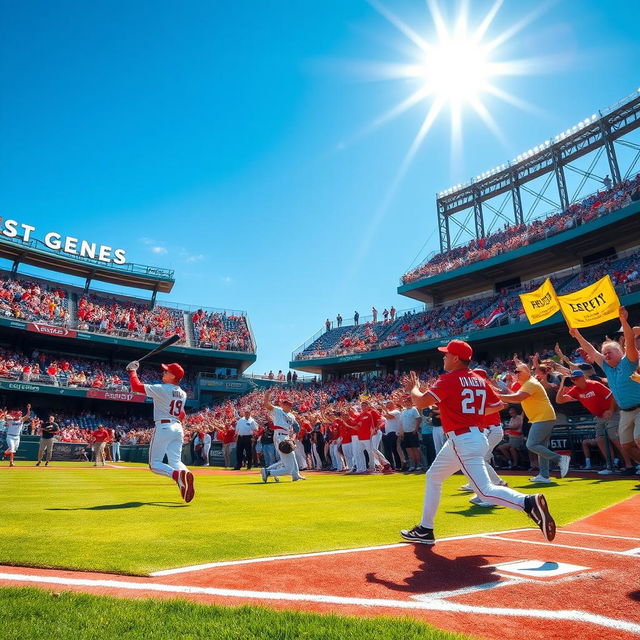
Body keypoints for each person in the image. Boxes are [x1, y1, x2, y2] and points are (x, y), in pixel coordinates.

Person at [400, 339, 556, 545]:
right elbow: (498, 405)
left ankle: (527, 502)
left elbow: (419, 402)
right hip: (473, 436)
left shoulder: (449, 379)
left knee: (485, 491)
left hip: (462, 439)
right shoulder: (479, 380)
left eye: (446, 354)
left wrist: (415, 388)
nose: (444, 357)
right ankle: (425, 529)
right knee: (433, 477)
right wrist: (471, 413)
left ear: (456, 358)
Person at [568, 306, 640, 473]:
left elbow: (629, 341)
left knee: (638, 438)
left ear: (620, 352)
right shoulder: (607, 368)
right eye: (604, 353)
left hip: (639, 408)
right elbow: (590, 350)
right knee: (627, 446)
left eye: (610, 352)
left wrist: (623, 320)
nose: (606, 355)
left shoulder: (628, 361)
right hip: (625, 412)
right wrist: (577, 334)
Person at [127, 360, 195, 503]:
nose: (164, 372)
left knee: (154, 464)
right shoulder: (183, 393)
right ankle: (186, 474)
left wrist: (132, 371)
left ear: (173, 376)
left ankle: (176, 476)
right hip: (177, 427)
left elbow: (135, 386)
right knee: (175, 460)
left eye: (167, 371)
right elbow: (181, 414)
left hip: (164, 426)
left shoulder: (162, 388)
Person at [499, 357, 570, 483]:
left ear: (526, 372)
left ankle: (560, 459)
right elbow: (514, 395)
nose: (515, 374)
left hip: (543, 417)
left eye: (518, 372)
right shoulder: (528, 383)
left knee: (531, 444)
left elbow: (517, 398)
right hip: (543, 417)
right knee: (541, 447)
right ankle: (544, 475)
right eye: (515, 372)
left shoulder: (531, 383)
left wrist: (498, 396)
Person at [555, 370, 627, 474]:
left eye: (577, 378)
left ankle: (631, 465)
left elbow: (613, 395)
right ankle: (611, 466)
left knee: (615, 438)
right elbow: (559, 400)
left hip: (613, 413)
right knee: (600, 439)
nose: (575, 381)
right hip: (599, 417)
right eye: (573, 379)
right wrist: (562, 384)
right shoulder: (576, 390)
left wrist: (610, 410)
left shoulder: (595, 384)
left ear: (583, 377)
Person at [263, 389, 304, 479]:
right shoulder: (278, 410)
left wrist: (292, 439)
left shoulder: (292, 416)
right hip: (279, 435)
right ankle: (268, 472)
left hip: (287, 436)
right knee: (288, 465)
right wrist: (267, 395)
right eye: (283, 403)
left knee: (292, 455)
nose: (283, 405)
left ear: (289, 406)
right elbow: (267, 405)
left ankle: (296, 475)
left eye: (286, 404)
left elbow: (296, 428)